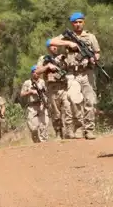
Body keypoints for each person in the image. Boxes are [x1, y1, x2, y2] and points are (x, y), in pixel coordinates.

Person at [49, 12, 100, 140]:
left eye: (80, 22)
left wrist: (94, 59)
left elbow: (97, 52)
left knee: (90, 101)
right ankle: (79, 127)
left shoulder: (90, 37)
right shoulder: (67, 37)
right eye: (75, 22)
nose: (78, 24)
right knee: (73, 99)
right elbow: (51, 41)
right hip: (72, 74)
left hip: (87, 72)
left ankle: (89, 130)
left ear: (84, 22)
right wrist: (68, 44)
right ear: (72, 24)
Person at [35, 39, 81, 139]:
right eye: (52, 46)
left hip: (63, 87)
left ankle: (69, 131)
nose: (55, 47)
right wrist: (47, 66)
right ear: (48, 47)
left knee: (68, 109)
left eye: (56, 45)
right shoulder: (43, 59)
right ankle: (58, 133)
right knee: (55, 113)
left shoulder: (62, 57)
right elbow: (37, 71)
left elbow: (72, 65)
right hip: (52, 89)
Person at [20, 65, 49, 143]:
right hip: (32, 106)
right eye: (35, 72)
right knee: (33, 127)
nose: (37, 74)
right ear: (32, 73)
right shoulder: (27, 83)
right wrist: (30, 92)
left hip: (42, 104)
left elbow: (47, 91)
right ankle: (36, 143)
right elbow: (22, 94)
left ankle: (44, 143)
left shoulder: (42, 81)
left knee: (44, 125)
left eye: (38, 72)